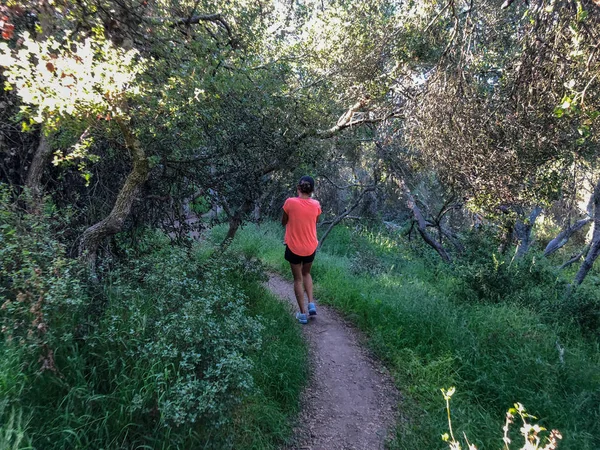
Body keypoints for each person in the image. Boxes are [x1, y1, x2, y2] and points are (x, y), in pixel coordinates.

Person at [282, 176, 321, 324]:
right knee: (307, 273)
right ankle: (311, 303)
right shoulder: (316, 204)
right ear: (311, 190)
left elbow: (283, 221)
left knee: (298, 279)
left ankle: (302, 314)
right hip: (311, 247)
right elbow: (315, 220)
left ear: (298, 188)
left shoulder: (290, 202)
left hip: (294, 247)